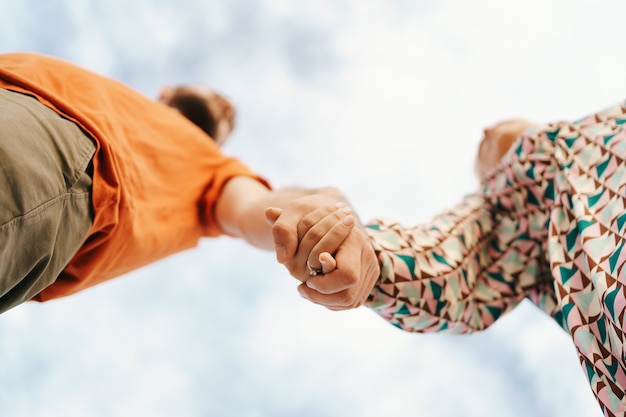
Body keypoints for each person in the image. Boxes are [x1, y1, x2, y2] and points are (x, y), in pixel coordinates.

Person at [268, 101, 626, 417]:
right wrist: (366, 255)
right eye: (481, 150)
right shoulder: (506, 209)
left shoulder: (613, 116)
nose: (486, 129)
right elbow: (445, 265)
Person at [0, 52, 358, 314]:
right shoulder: (85, 80)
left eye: (227, 119)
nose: (227, 105)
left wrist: (319, 209)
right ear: (166, 91)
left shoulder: (213, 166)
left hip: (60, 159)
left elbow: (256, 210)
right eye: (217, 97)